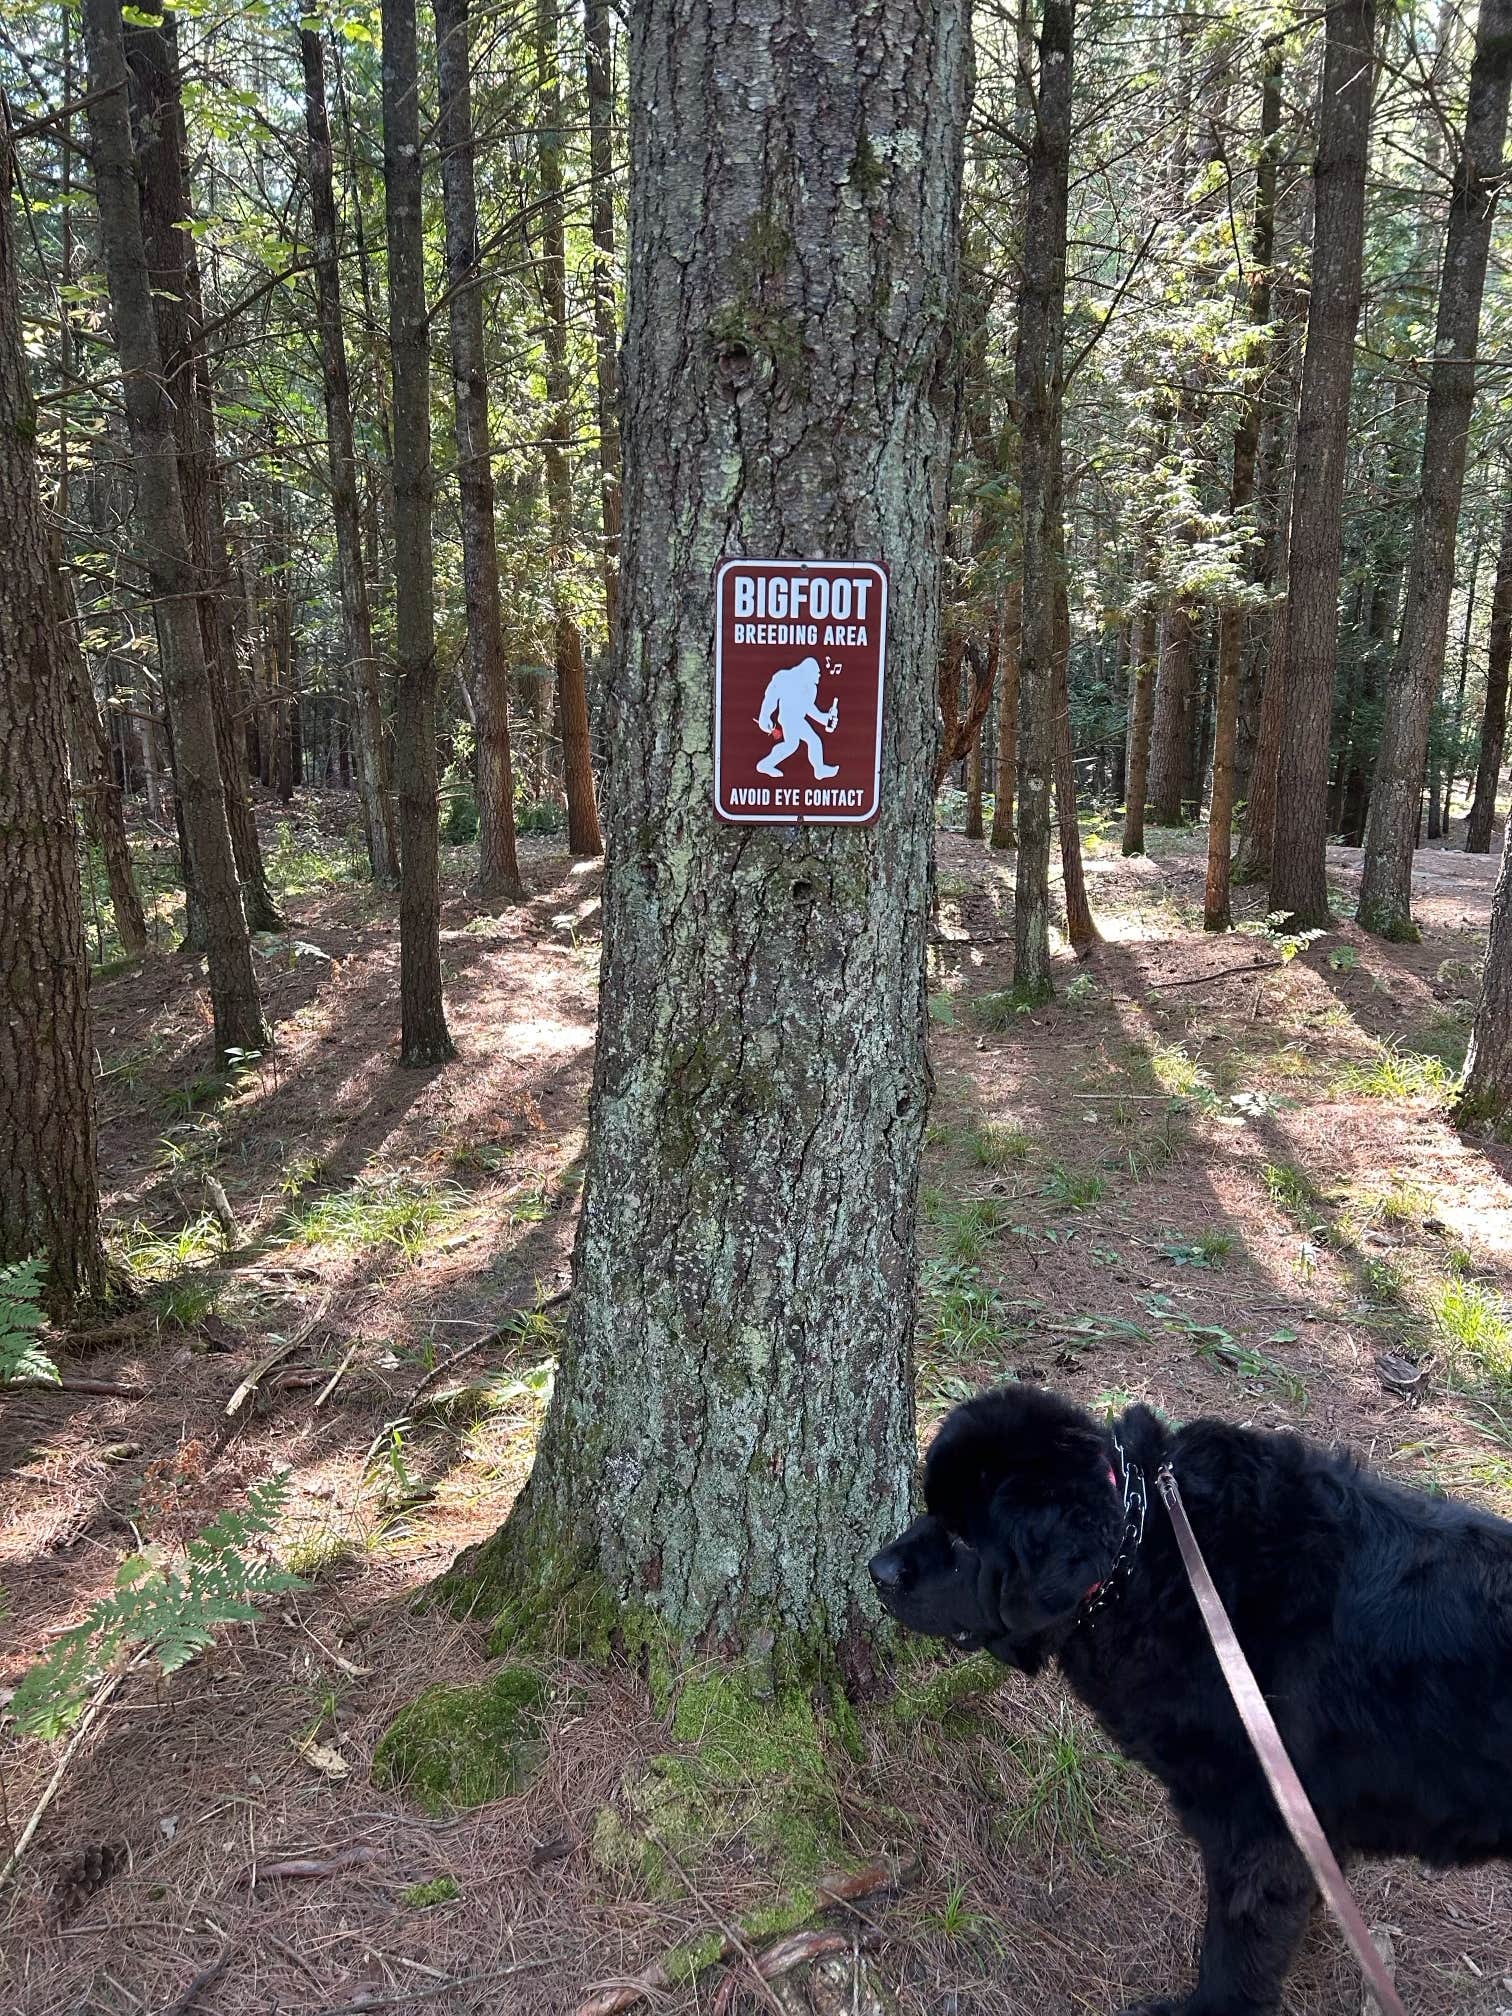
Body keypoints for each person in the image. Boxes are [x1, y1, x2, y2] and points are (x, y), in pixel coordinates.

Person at [755, 655, 839, 779]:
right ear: (807, 672)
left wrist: (825, 719)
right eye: (817, 673)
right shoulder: (785, 678)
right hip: (788, 719)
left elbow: (809, 708)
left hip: (798, 720)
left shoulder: (811, 689)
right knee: (792, 745)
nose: (819, 676)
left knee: (813, 741)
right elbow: (771, 698)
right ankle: (765, 765)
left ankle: (819, 770)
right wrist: (764, 716)